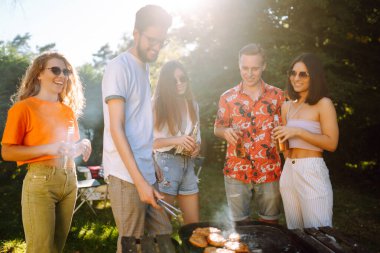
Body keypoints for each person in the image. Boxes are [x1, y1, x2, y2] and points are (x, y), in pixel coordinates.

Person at [1, 52, 91, 253]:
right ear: (39, 73)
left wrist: (82, 144)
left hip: (70, 181)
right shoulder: (23, 109)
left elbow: (68, 147)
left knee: (56, 249)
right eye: (55, 70)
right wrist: (48, 149)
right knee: (41, 250)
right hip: (41, 182)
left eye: (66, 71)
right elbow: (7, 152)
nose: (62, 75)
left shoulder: (67, 111)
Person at [101, 5, 172, 252]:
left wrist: (149, 160)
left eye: (161, 41)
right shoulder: (118, 67)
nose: (156, 46)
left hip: (144, 169)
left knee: (163, 235)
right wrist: (140, 182)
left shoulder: (144, 68)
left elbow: (139, 125)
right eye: (152, 39)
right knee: (132, 244)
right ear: (136, 33)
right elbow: (116, 128)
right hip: (125, 174)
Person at [214, 43, 285, 224]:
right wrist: (226, 132)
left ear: (264, 66)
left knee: (270, 225)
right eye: (245, 68)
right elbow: (218, 128)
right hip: (236, 171)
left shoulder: (278, 96)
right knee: (240, 229)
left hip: (269, 170)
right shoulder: (227, 97)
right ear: (239, 65)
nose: (250, 73)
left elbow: (287, 130)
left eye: (255, 68)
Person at [273, 53, 339, 229]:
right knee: (296, 233)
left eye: (303, 74)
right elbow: (286, 149)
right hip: (288, 170)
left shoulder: (323, 103)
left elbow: (332, 143)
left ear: (314, 76)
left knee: (319, 232)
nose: (296, 78)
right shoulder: (286, 106)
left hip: (311, 169)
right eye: (293, 73)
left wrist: (298, 131)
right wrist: (280, 141)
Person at [152, 60, 201, 224]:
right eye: (174, 81)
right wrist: (177, 140)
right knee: (162, 227)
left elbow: (197, 138)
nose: (180, 83)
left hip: (189, 165)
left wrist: (197, 148)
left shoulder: (193, 105)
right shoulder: (156, 105)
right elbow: (148, 143)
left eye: (183, 78)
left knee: (193, 225)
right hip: (165, 165)